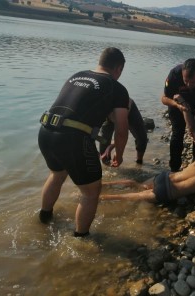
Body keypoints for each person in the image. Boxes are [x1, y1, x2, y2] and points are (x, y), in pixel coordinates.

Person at [38, 47, 129, 237]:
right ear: (119, 68)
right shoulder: (116, 88)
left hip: (46, 131)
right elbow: (121, 130)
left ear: (100, 61)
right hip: (72, 139)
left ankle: (44, 220)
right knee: (90, 192)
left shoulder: (76, 75)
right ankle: (81, 240)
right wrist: (119, 155)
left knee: (57, 175)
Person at [161, 58, 195, 172]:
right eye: (186, 81)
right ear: (182, 73)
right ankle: (174, 168)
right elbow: (164, 98)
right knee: (177, 133)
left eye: (194, 82)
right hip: (178, 104)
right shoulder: (174, 74)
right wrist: (178, 105)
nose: (189, 85)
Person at [99, 97, 148, 165]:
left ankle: (139, 161)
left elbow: (122, 133)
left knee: (142, 137)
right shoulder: (97, 106)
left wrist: (117, 152)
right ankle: (107, 166)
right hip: (108, 112)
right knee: (104, 142)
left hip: (129, 112)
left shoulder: (122, 106)